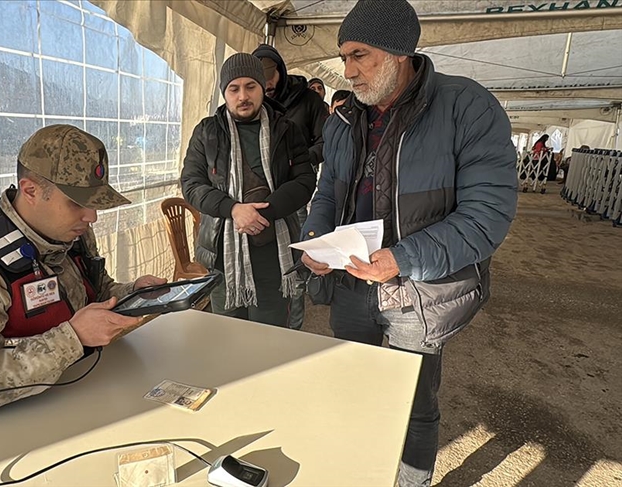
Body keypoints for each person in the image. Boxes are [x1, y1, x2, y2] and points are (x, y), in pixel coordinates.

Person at [300, 1, 518, 485]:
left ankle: (411, 480)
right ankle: (358, 471)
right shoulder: (343, 120)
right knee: (354, 389)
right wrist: (315, 242)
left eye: (360, 55)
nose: (348, 71)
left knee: (414, 404)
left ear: (399, 52)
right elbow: (328, 192)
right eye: (344, 58)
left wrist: (403, 258)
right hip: (353, 284)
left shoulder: (466, 107)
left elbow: (488, 215)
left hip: (419, 290)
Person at [0, 125, 167, 449]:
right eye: (78, 203)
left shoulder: (67, 231)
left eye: (94, 202)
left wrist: (135, 292)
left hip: (65, 395)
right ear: (31, 190)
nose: (91, 216)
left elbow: (94, 292)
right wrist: (72, 338)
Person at [180, 53, 315, 327]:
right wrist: (233, 209)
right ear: (225, 92)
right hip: (223, 252)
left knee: (269, 333)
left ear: (262, 87)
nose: (243, 95)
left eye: (250, 86)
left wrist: (267, 212)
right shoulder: (207, 132)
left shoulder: (286, 130)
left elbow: (304, 180)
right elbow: (192, 183)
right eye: (234, 88)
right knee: (227, 334)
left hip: (273, 252)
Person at [252, 44, 329, 331]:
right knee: (265, 268)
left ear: (281, 72)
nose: (267, 83)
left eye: (271, 75)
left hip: (295, 197)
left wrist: (300, 158)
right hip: (258, 201)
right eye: (260, 77)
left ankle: (293, 327)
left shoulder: (308, 100)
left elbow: (326, 141)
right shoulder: (253, 102)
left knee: (294, 265)